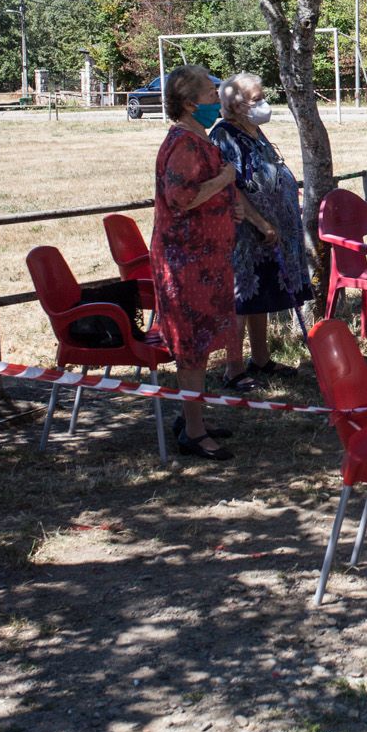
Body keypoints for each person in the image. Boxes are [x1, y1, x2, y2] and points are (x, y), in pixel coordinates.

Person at [152, 65, 239, 460]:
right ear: (189, 104)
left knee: (201, 346)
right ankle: (193, 432)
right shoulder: (184, 145)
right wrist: (223, 182)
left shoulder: (199, 138)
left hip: (207, 259)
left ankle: (193, 419)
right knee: (190, 346)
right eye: (209, 93)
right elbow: (181, 198)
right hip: (185, 265)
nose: (216, 99)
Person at [209, 72, 311, 390]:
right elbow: (233, 187)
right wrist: (260, 222)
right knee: (242, 299)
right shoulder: (225, 135)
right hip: (246, 233)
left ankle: (261, 359)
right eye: (257, 99)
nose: (263, 104)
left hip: (270, 234)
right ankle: (233, 369)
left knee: (261, 298)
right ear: (236, 105)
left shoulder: (254, 131)